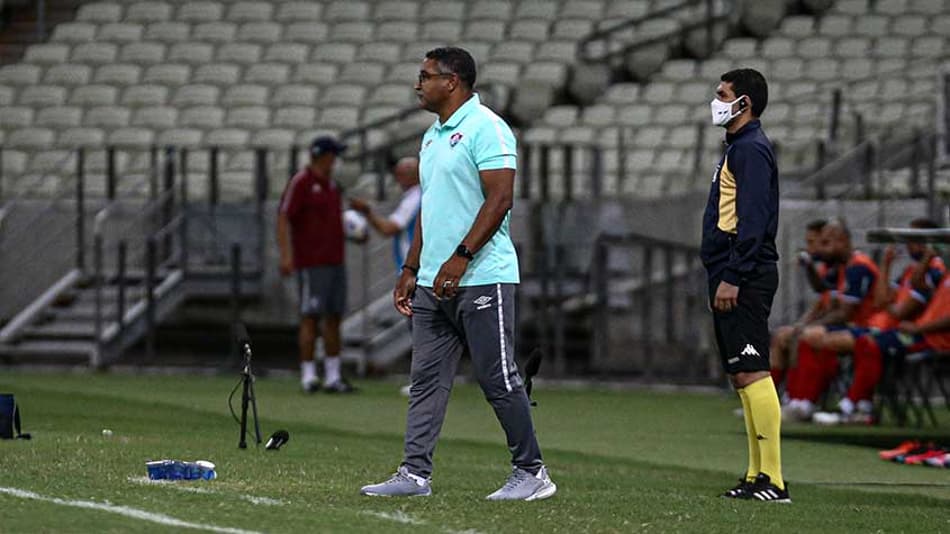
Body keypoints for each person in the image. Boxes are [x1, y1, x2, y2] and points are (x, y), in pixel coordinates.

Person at [360, 47, 556, 501]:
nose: (418, 84)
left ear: (451, 82)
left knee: (497, 377)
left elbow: (500, 199)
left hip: (483, 275)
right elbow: (430, 209)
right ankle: (414, 474)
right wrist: (411, 267)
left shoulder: (488, 127)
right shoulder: (432, 136)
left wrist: (462, 256)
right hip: (433, 282)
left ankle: (532, 472)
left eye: (425, 76)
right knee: (426, 381)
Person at [700, 68, 788, 502]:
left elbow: (753, 219)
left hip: (744, 274)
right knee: (741, 374)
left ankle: (773, 479)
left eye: (722, 94)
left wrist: (734, 274)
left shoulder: (750, 149)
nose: (715, 101)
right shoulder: (738, 147)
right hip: (731, 270)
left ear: (744, 103)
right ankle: (756, 474)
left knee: (753, 369)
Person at [812, 221, 945, 424]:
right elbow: (881, 301)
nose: (909, 246)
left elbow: (898, 311)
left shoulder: (936, 271)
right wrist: (886, 264)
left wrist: (901, 314)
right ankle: (856, 405)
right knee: (859, 342)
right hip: (900, 330)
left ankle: (848, 406)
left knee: (861, 343)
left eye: (914, 240)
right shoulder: (911, 271)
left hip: (923, 337)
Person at [782, 219, 882, 420]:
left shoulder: (858, 267)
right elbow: (824, 291)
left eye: (826, 243)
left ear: (842, 241)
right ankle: (797, 399)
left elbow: (845, 314)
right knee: (804, 336)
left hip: (871, 328)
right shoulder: (843, 266)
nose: (820, 248)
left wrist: (811, 325)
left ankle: (808, 401)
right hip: (853, 327)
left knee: (812, 337)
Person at [277, 136, 355, 394]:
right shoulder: (302, 182)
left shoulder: (333, 185)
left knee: (334, 317)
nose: (336, 161)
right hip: (311, 262)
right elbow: (284, 216)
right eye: (333, 155)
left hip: (335, 260)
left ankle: (333, 376)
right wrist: (286, 255)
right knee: (310, 317)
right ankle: (308, 374)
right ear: (323, 156)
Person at [769, 219, 833, 386]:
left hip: (843, 327)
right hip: (825, 324)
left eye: (812, 242)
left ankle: (797, 394)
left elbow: (840, 309)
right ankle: (773, 392)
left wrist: (805, 326)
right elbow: (820, 302)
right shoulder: (825, 268)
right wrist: (802, 323)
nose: (809, 248)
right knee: (780, 336)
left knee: (799, 337)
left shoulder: (843, 266)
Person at [349, 157, 422, 272]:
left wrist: (367, 212)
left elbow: (389, 229)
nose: (397, 179)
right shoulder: (420, 195)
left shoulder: (414, 199)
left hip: (412, 267)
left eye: (400, 174)